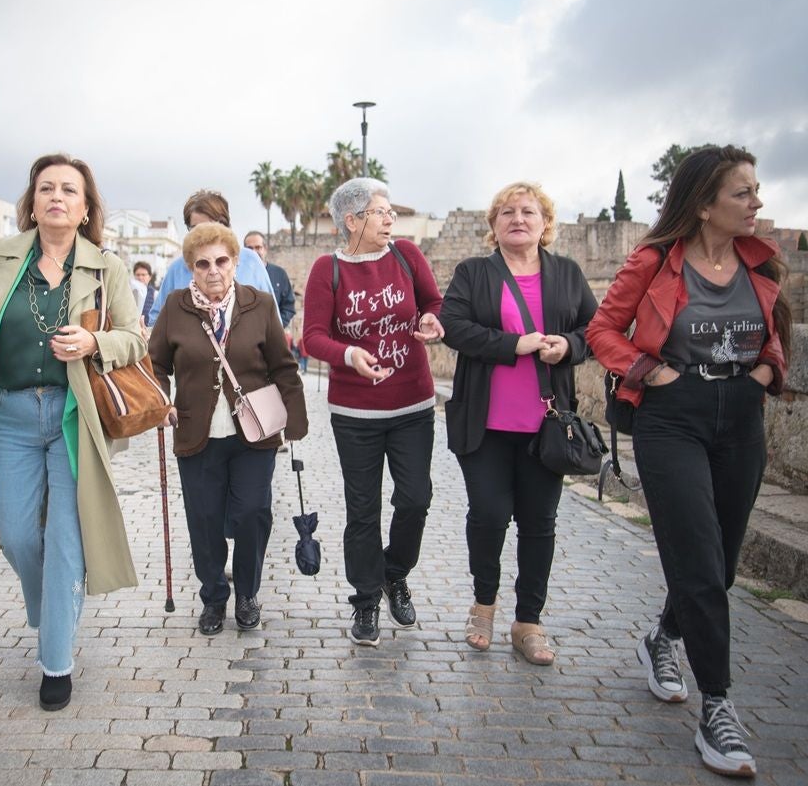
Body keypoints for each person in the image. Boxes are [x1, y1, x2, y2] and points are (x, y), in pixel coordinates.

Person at [0, 153, 147, 712]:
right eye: (46, 189)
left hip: (72, 416)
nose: (56, 197)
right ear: (32, 203)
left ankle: (55, 660)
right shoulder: (0, 257)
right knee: (16, 535)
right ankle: (55, 605)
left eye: (69, 190)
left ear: (86, 209)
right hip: (8, 417)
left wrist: (94, 345)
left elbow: (135, 338)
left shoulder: (106, 267)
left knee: (65, 538)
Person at [587, 146, 789, 778]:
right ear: (704, 205)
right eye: (742, 193)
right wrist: (654, 370)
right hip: (673, 415)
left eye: (756, 191)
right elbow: (602, 331)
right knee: (698, 558)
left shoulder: (762, 262)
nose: (756, 202)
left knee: (722, 562)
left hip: (742, 415)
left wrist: (764, 370)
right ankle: (719, 708)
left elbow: (774, 330)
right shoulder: (654, 261)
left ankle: (663, 638)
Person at [439, 182, 598, 667]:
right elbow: (453, 326)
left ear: (545, 224)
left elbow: (597, 329)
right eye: (507, 212)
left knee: (538, 523)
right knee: (487, 515)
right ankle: (483, 604)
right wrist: (515, 345)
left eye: (529, 212)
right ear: (494, 225)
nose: (518, 219)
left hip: (545, 426)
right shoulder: (473, 273)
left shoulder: (567, 275)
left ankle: (528, 620)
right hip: (485, 424)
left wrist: (568, 346)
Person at [301, 178, 445, 647]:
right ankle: (365, 601)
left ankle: (394, 574)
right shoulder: (328, 269)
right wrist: (348, 356)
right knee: (362, 510)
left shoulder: (407, 255)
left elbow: (434, 302)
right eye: (380, 212)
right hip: (355, 413)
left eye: (390, 213)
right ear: (352, 220)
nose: (390, 220)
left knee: (415, 498)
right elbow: (313, 337)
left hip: (412, 405)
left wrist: (429, 320)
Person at [149, 223, 307, 635]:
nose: (213, 270)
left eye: (221, 261)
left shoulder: (259, 305)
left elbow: (283, 366)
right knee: (204, 519)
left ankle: (249, 592)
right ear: (191, 268)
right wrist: (160, 400)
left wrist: (296, 420)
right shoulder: (175, 307)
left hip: (253, 434)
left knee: (254, 514)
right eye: (202, 264)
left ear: (235, 262)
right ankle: (214, 596)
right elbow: (156, 366)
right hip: (196, 434)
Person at [147, 191, 274, 325]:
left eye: (210, 227)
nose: (204, 235)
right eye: (196, 229)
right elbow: (156, 321)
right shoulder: (177, 269)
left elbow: (272, 317)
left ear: (225, 226)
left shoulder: (250, 261)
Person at [244, 231, 296, 328]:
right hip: (246, 336)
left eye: (258, 247)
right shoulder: (237, 276)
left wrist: (277, 326)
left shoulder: (280, 274)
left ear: (265, 249)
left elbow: (289, 306)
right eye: (250, 248)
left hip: (273, 337)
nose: (254, 252)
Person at [132, 260, 157, 325]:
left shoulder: (155, 295)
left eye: (143, 275)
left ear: (150, 277)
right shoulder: (128, 294)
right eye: (138, 275)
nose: (140, 277)